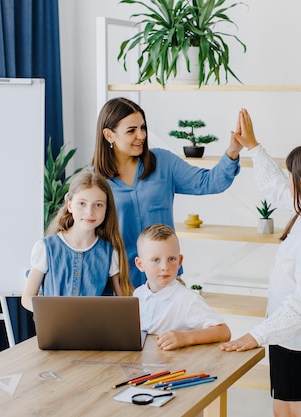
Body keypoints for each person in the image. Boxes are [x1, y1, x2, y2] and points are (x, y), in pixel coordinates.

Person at [220, 108, 301, 417]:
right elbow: (273, 186)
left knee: (299, 410)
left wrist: (256, 335)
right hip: (286, 338)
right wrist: (254, 147)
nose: (285, 181)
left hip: (299, 343)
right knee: (282, 410)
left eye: (291, 176)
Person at [92, 97, 243, 288]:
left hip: (166, 278)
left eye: (143, 127)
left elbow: (208, 182)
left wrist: (233, 151)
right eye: (131, 130)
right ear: (109, 135)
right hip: (119, 283)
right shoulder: (94, 179)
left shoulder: (164, 162)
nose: (141, 135)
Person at [21, 171, 133, 312]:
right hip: (55, 331)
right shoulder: (45, 248)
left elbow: (123, 302)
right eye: (82, 203)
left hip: (95, 332)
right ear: (70, 205)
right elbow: (27, 298)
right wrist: (51, 313)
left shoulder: (110, 252)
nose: (89, 212)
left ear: (106, 209)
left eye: (98, 205)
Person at [133, 224, 231, 351]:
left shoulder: (187, 299)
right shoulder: (138, 294)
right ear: (140, 264)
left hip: (176, 365)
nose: (165, 267)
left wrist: (184, 338)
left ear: (180, 261)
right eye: (156, 260)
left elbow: (224, 332)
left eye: (171, 259)